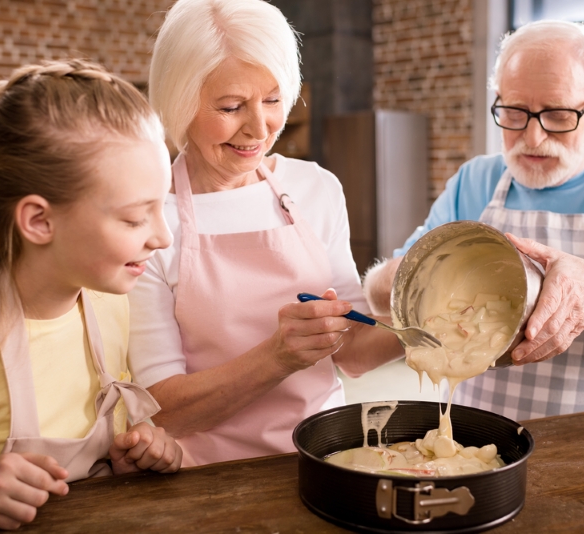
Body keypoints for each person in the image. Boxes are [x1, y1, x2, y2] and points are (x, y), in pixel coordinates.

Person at [0, 59, 183, 529]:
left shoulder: (107, 304)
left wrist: (134, 450)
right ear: (39, 221)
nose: (163, 236)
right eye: (135, 218)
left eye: (162, 207)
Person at [364, 20, 584, 422]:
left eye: (557, 115)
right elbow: (385, 297)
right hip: (472, 445)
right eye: (515, 112)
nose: (533, 138)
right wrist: (397, 281)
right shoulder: (474, 182)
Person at [128, 0, 404, 466]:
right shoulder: (151, 218)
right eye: (231, 106)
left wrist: (429, 324)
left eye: (273, 100)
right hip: (206, 478)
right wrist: (276, 357)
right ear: (180, 103)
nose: (259, 128)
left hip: (326, 457)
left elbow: (353, 349)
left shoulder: (315, 188)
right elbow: (164, 411)